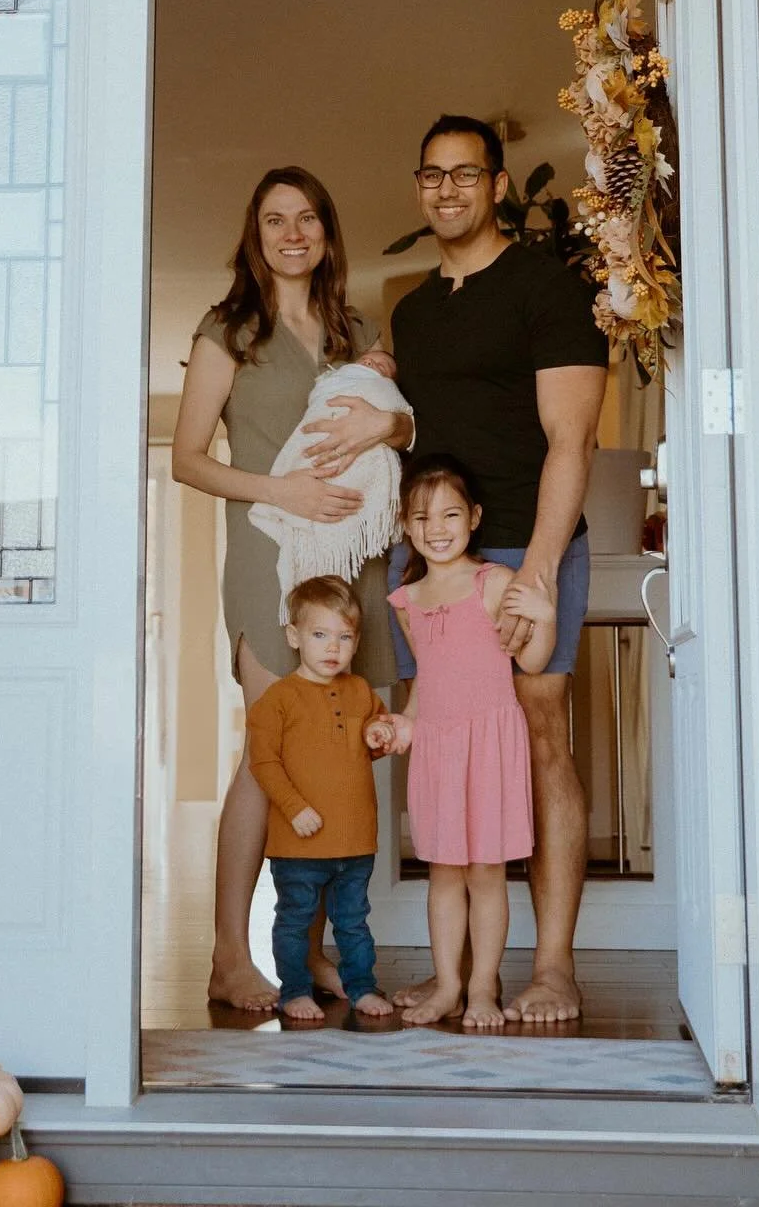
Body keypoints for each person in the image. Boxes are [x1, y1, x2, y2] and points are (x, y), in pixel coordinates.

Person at [171, 166, 412, 1011]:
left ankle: (309, 956)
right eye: (275, 220)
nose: (293, 233)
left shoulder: (360, 329)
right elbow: (187, 457)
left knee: (340, 754)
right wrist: (285, 493)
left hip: (355, 562)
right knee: (268, 752)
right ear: (256, 234)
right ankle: (231, 956)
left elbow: (404, 422)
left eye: (307, 217)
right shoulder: (228, 329)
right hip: (269, 552)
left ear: (326, 231)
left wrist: (392, 422)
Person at [387, 115, 610, 1023]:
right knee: (441, 742)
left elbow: (574, 437)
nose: (447, 190)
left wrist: (541, 572)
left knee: (541, 737)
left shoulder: (547, 285)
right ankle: (456, 978)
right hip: (433, 555)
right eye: (432, 175)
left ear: (499, 184)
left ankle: (551, 967)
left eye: (465, 174)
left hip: (524, 543)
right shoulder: (409, 309)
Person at [387, 457, 556, 1029]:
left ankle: (483, 988)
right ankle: (448, 987)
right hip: (437, 749)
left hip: (488, 750)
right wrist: (404, 724)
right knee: (441, 875)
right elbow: (425, 683)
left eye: (451, 514)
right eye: (423, 516)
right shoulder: (407, 600)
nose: (437, 527)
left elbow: (530, 660)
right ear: (406, 526)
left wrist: (545, 618)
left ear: (475, 518)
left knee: (485, 874)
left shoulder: (495, 584)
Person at [247, 575, 408, 1021]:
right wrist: (295, 809)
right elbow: (263, 764)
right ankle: (294, 989)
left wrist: (380, 735)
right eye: (320, 635)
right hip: (298, 843)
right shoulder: (277, 700)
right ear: (294, 636)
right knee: (295, 920)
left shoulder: (360, 691)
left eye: (344, 637)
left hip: (355, 841)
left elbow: (372, 744)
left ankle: (361, 988)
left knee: (354, 924)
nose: (332, 648)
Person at [249, 347, 412, 612]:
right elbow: (321, 400)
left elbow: (395, 408)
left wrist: (389, 419)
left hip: (359, 445)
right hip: (308, 459)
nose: (372, 363)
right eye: (368, 361)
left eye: (383, 368)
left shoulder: (374, 373)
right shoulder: (335, 379)